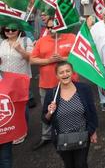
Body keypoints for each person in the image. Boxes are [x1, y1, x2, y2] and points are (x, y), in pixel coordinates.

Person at [30, 18, 78, 150]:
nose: (51, 30)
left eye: (54, 27)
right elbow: (32, 60)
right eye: (48, 27)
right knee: (47, 110)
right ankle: (46, 136)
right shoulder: (41, 41)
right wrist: (49, 60)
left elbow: (79, 57)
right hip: (46, 83)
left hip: (69, 83)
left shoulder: (71, 37)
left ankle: (71, 133)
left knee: (70, 108)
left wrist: (62, 59)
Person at [42, 62, 98, 168]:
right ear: (57, 75)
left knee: (81, 164)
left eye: (67, 71)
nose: (65, 74)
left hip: (82, 135)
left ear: (72, 72)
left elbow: (92, 112)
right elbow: (45, 120)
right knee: (69, 165)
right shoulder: (51, 94)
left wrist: (93, 131)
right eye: (61, 72)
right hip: (62, 139)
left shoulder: (84, 89)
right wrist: (49, 113)